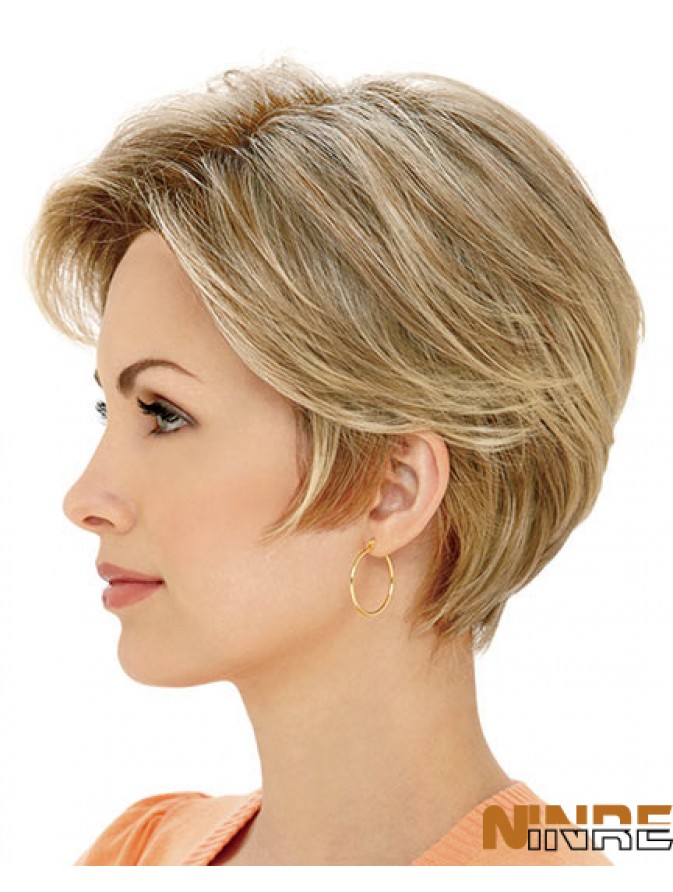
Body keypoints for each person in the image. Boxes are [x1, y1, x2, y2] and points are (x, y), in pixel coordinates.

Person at [25, 57, 644, 866]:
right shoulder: (136, 854)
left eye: (164, 414)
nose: (84, 498)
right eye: (108, 409)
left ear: (392, 489)